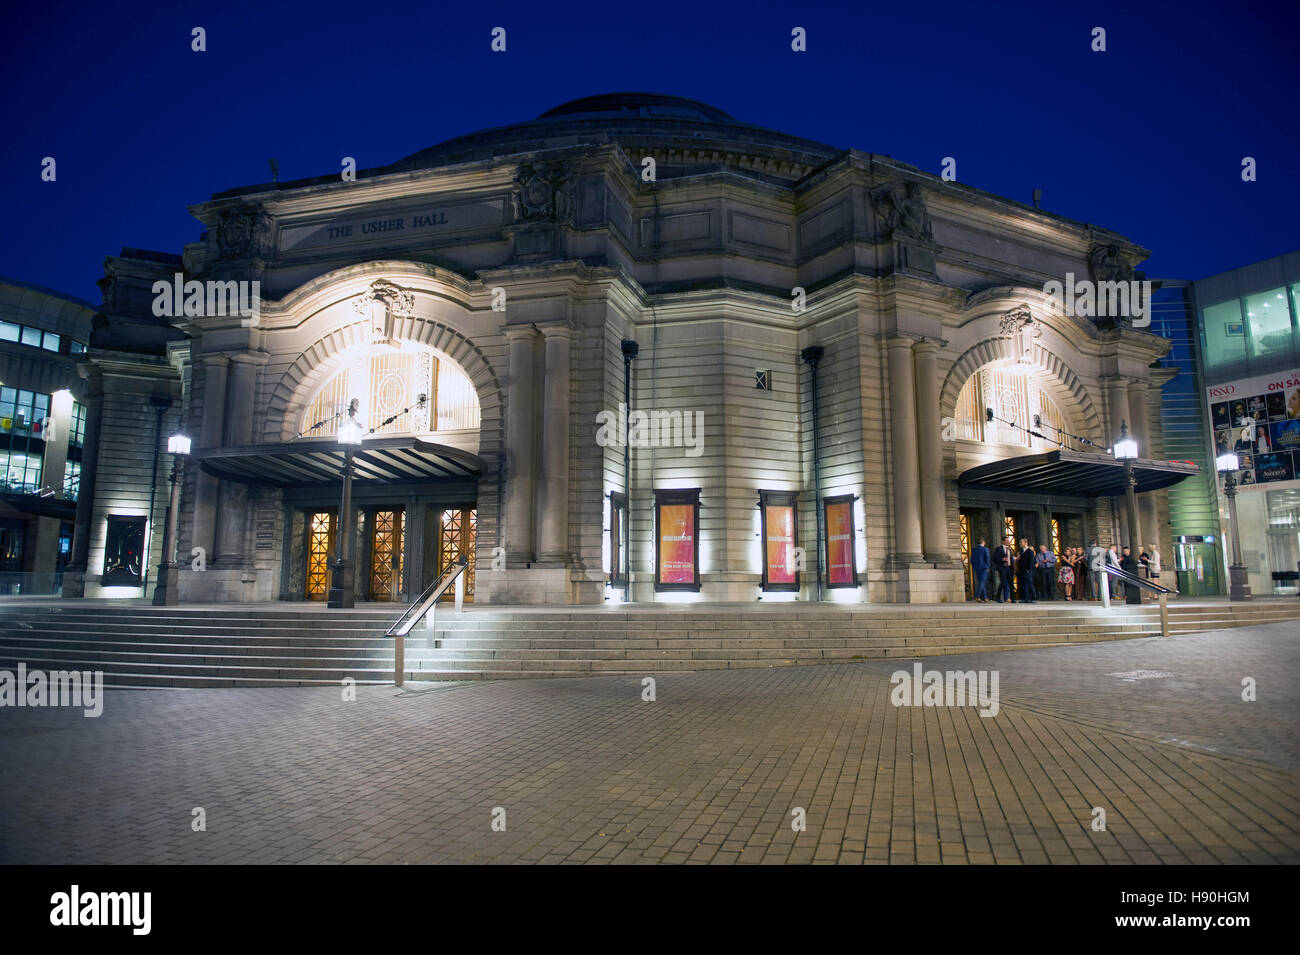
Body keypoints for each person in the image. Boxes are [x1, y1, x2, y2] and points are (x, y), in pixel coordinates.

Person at [991, 536, 1014, 603]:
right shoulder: (998, 549)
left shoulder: (1009, 549)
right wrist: (1001, 559)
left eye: (1008, 540)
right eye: (1006, 541)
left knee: (1011, 583)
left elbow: (1011, 558)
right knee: (1003, 583)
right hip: (1002, 568)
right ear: (1003, 541)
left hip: (1009, 568)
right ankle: (998, 597)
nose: (1008, 542)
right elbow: (995, 558)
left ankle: (1012, 599)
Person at [1017, 538, 1037, 603]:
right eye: (1020, 542)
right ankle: (1025, 598)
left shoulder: (1030, 551)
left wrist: (1028, 569)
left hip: (1027, 570)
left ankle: (1033, 598)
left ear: (1025, 543)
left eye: (1021, 542)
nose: (1020, 544)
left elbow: (1031, 562)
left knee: (1029, 584)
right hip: (1021, 570)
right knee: (1023, 584)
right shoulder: (1021, 551)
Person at [971, 538, 990, 602]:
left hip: (977, 568)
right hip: (984, 568)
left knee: (981, 582)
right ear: (983, 542)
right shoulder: (985, 549)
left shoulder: (974, 549)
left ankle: (985, 597)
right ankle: (977, 596)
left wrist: (974, 567)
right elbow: (987, 558)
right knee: (982, 582)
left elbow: (972, 560)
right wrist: (987, 567)